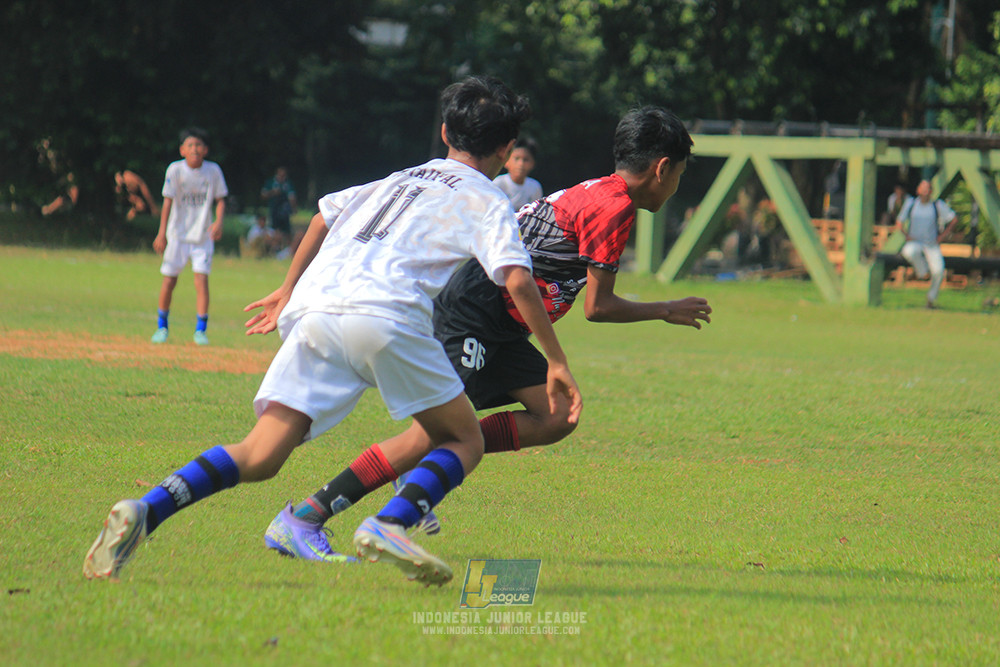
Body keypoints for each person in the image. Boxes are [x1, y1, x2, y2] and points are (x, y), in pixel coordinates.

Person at [82, 75, 582, 587]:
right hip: (385, 314)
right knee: (464, 438)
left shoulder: (397, 179)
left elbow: (323, 217)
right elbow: (516, 278)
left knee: (261, 453)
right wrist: (557, 360)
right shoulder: (488, 198)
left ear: (444, 131)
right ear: (506, 148)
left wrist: (286, 289)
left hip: (316, 310)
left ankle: (147, 509)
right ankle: (390, 523)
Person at [266, 106, 711, 562]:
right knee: (429, 436)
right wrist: (664, 309)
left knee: (557, 414)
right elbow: (598, 307)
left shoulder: (598, 190)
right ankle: (310, 518)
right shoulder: (613, 208)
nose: (676, 186)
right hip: (474, 310)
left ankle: (417, 476)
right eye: (679, 175)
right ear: (662, 168)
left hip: (503, 322)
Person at [150, 127, 228, 346]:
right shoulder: (175, 170)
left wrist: (218, 222)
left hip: (202, 236)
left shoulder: (213, 171)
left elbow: (221, 199)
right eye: (190, 145)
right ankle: (162, 327)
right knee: (169, 280)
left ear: (206, 150)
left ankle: (200, 331)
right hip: (177, 235)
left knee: (201, 280)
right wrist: (162, 233)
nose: (195, 149)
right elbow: (167, 202)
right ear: (182, 150)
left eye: (199, 145)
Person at [895, 179, 959, 309]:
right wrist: (906, 235)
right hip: (915, 242)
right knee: (908, 251)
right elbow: (899, 221)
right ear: (918, 190)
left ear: (931, 191)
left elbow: (954, 219)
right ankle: (922, 272)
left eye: (927, 188)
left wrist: (942, 236)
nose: (925, 191)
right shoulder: (911, 203)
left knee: (938, 271)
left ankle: (931, 299)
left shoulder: (937, 205)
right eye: (922, 187)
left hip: (931, 244)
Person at [492, 136, 542, 210]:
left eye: (525, 160)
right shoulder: (498, 184)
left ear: (533, 164)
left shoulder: (535, 187)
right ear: (506, 161)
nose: (521, 164)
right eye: (516, 158)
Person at [260, 166, 297, 248]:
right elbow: (263, 195)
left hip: (284, 211)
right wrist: (273, 192)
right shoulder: (271, 183)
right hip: (274, 210)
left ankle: (288, 248)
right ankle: (275, 247)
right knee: (274, 230)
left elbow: (292, 197)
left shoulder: (288, 184)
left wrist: (293, 208)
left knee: (287, 231)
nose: (282, 177)